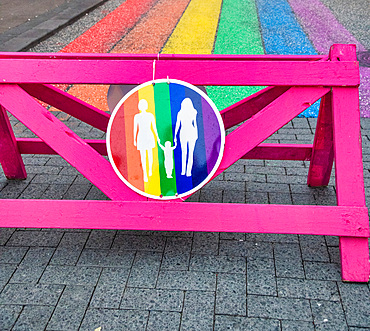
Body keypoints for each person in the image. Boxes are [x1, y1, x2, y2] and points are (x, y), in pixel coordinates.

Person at [133, 99, 159, 182]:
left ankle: (150, 170)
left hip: (147, 136)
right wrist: (134, 139)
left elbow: (154, 127)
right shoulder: (137, 116)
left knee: (148, 155)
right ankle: (145, 173)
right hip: (142, 136)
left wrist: (157, 137)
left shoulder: (149, 115)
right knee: (144, 156)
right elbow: (135, 129)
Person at [174, 98, 198, 177]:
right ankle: (188, 172)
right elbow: (195, 124)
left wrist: (175, 136)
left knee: (184, 152)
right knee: (190, 153)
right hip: (191, 132)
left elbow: (178, 125)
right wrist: (197, 134)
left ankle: (183, 171)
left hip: (183, 132)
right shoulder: (193, 112)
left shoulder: (180, 113)